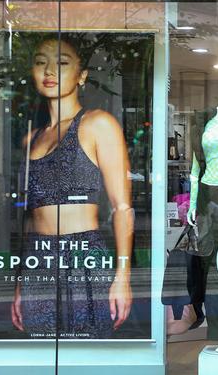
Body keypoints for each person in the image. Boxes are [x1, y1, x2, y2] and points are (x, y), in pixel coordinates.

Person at [11, 37, 134, 339]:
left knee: (88, 351)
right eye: (41, 62)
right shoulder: (32, 139)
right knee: (41, 349)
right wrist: (19, 282)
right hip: (39, 258)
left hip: (84, 255)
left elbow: (122, 207)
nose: (49, 70)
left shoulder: (97, 124)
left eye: (62, 63)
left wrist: (123, 275)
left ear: (82, 75)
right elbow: (30, 216)